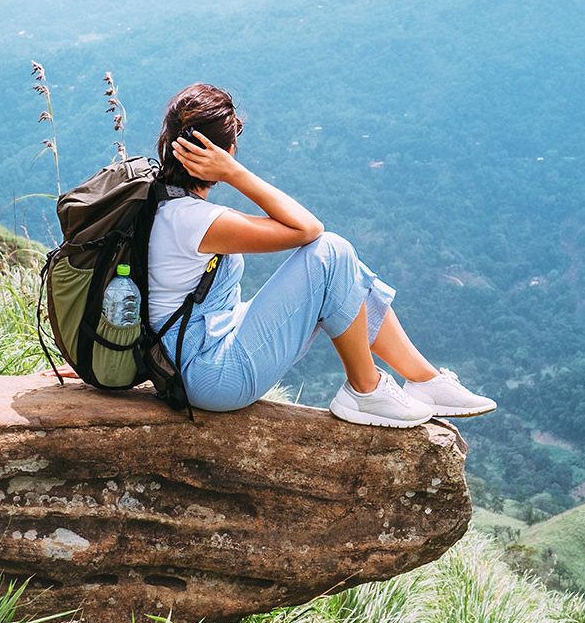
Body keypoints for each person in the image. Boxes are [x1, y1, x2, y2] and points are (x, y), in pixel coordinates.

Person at [145, 82, 495, 426]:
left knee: (346, 269)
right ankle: (364, 389)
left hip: (201, 350)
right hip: (211, 375)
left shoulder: (165, 204)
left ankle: (425, 381)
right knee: (331, 252)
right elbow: (308, 230)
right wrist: (236, 175)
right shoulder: (192, 220)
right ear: (226, 152)